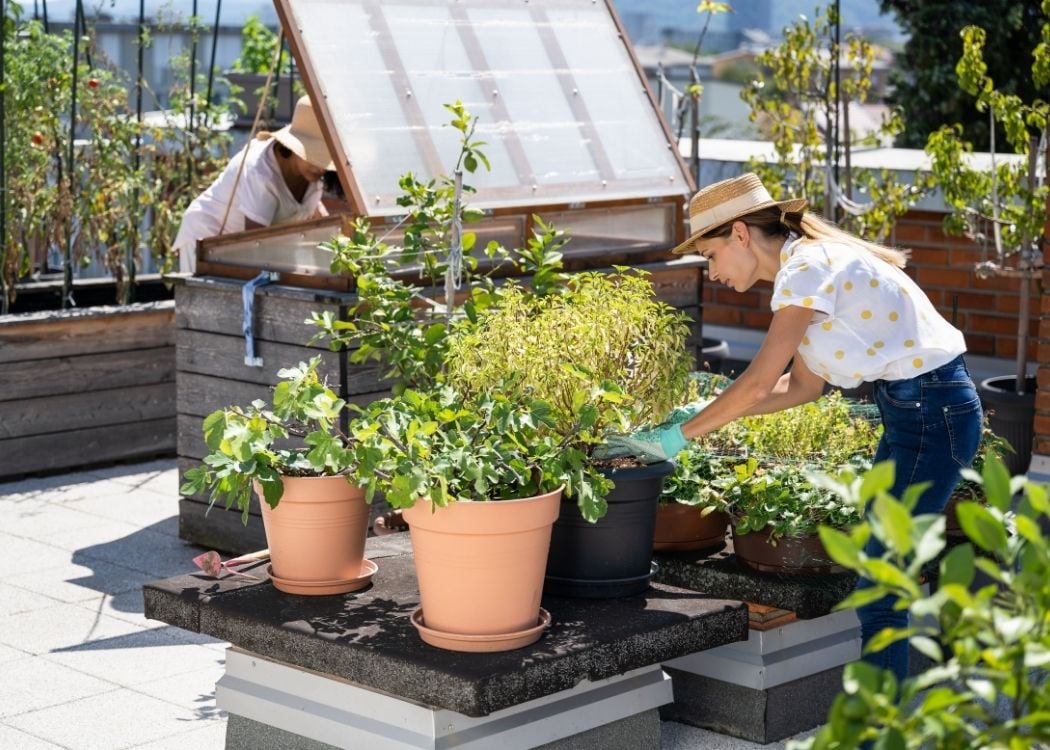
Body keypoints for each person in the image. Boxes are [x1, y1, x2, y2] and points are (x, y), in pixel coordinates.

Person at [602, 172, 983, 684]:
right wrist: (702, 412)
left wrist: (677, 437)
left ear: (740, 234)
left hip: (932, 414)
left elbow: (759, 383)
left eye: (710, 255)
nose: (711, 273)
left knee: (881, 584)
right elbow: (800, 387)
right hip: (914, 410)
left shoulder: (805, 270)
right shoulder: (806, 269)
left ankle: (881, 721)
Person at [174, 95, 335, 273]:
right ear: (294, 147)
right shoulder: (260, 172)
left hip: (240, 249)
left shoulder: (310, 175)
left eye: (325, 159)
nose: (320, 167)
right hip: (207, 238)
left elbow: (320, 222)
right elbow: (256, 247)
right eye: (314, 156)